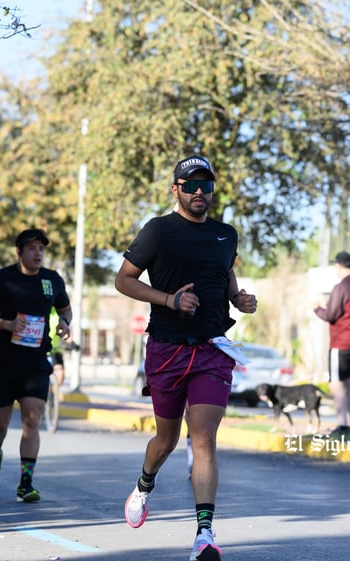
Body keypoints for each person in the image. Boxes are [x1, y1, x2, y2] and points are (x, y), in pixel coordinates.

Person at [114, 155, 257, 561]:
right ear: (175, 188)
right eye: (190, 184)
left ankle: (204, 534)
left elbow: (226, 279)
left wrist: (239, 298)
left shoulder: (226, 235)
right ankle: (144, 484)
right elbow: (123, 279)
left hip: (213, 347)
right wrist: (169, 300)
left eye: (206, 185)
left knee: (204, 437)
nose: (199, 192)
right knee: (166, 439)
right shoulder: (158, 231)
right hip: (167, 348)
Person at [0, 228, 72, 503]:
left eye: (41, 248)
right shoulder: (1, 279)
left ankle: (25, 483)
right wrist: (6, 324)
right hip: (2, 360)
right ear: (19, 252)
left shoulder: (52, 280)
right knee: (0, 422)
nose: (37, 253)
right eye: (32, 248)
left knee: (32, 420)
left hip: (36, 361)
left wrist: (65, 324)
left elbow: (65, 309)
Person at [312, 250, 350, 437]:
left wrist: (317, 309)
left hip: (342, 341)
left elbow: (331, 315)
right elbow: (347, 311)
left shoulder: (341, 287)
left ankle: (343, 424)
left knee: (336, 383)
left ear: (338, 265)